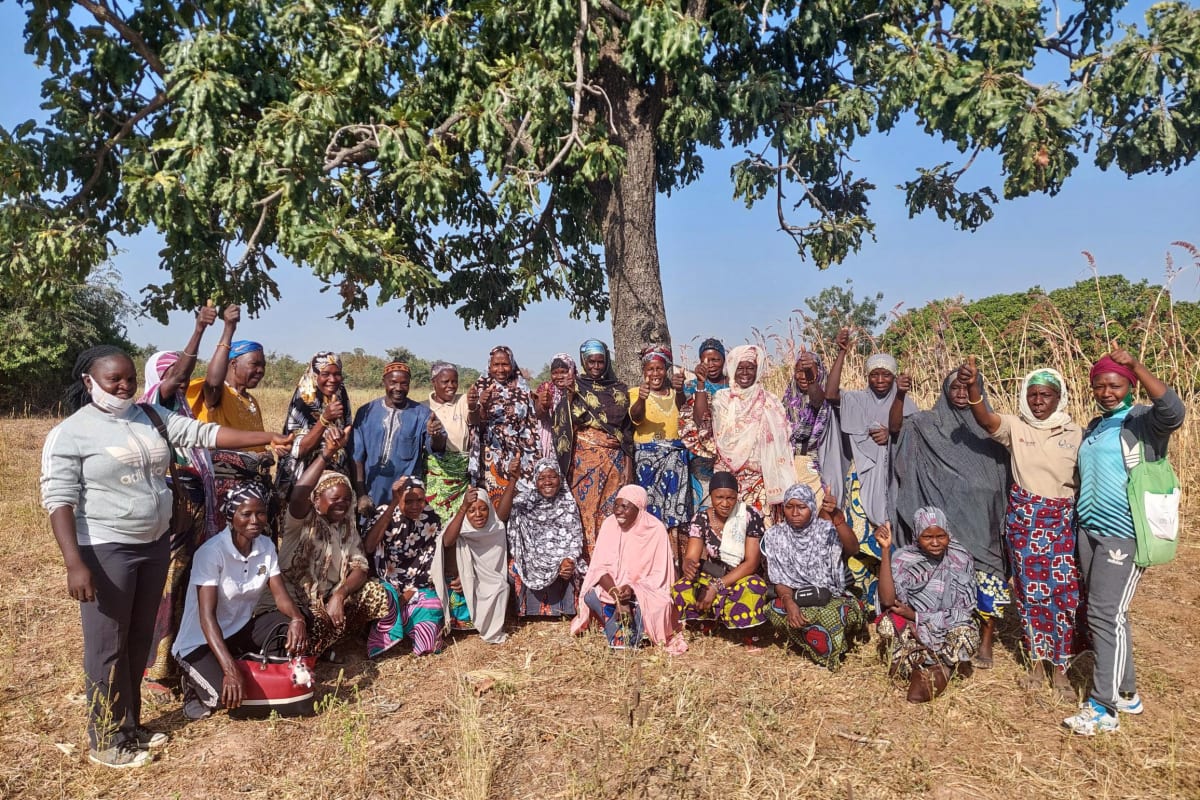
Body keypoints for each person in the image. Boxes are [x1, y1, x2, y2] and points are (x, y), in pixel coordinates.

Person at [41, 345, 292, 768]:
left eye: (128, 379)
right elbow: (59, 499)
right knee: (107, 647)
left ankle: (131, 725)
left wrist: (266, 437)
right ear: (89, 382)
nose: (123, 386)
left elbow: (204, 435)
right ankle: (105, 739)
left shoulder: (150, 417)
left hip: (153, 546)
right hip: (105, 549)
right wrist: (73, 562)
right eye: (112, 380)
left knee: (138, 641)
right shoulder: (72, 433)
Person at [1063, 347, 1185, 736]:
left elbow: (1174, 412)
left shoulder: (1142, 422)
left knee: (1103, 615)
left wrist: (1136, 365)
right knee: (1112, 614)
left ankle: (1104, 707)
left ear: (1129, 386)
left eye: (1115, 384)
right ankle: (1127, 693)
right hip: (1091, 532)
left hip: (1125, 534)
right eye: (1099, 386)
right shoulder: (1096, 426)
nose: (1106, 392)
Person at [959, 361, 1083, 699]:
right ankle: (1037, 663)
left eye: (1046, 395)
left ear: (1060, 398)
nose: (1038, 401)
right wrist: (973, 388)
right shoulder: (1016, 427)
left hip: (1061, 524)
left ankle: (1061, 670)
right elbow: (985, 419)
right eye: (1032, 395)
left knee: (1064, 595)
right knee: (1030, 596)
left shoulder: (1075, 433)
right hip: (1026, 525)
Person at [895, 369, 1010, 669]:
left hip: (983, 517)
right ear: (944, 391)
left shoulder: (990, 427)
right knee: (949, 578)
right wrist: (900, 397)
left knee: (988, 575)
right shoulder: (926, 423)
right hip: (945, 521)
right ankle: (946, 628)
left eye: (967, 388)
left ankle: (986, 637)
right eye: (955, 388)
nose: (960, 393)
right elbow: (898, 432)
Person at [139, 306, 223, 693]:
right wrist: (199, 330)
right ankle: (156, 670)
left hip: (193, 511)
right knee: (169, 586)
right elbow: (179, 376)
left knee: (190, 583)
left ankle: (180, 657)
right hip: (174, 511)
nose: (181, 377)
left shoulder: (182, 411)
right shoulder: (157, 403)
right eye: (171, 371)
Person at [172, 484, 309, 721]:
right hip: (200, 641)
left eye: (261, 513)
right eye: (246, 514)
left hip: (238, 632)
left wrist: (297, 618)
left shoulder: (265, 546)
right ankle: (191, 685)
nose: (255, 520)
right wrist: (229, 670)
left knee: (293, 625)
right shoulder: (211, 552)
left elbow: (280, 595)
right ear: (231, 517)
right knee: (224, 699)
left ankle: (244, 664)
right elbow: (207, 616)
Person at [262, 428, 389, 661]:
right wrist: (326, 454)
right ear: (317, 500)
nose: (342, 504)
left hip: (327, 595)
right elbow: (299, 494)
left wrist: (340, 594)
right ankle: (314, 650)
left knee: (376, 592)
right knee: (314, 619)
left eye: (347, 499)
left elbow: (360, 567)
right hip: (295, 600)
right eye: (335, 499)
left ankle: (330, 642)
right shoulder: (300, 522)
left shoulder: (346, 527)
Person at [824, 329, 918, 608]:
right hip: (861, 482)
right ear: (867, 377)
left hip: (893, 484)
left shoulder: (906, 403)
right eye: (874, 374)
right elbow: (830, 394)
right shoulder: (857, 400)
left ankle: (889, 601)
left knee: (890, 537)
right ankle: (863, 603)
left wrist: (890, 434)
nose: (880, 380)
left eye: (886, 375)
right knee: (859, 539)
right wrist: (841, 352)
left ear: (894, 377)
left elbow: (910, 437)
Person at [876, 508, 980, 703]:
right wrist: (885, 550)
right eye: (927, 536)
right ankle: (929, 665)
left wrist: (917, 616)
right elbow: (889, 601)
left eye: (941, 536)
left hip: (947, 626)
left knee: (968, 634)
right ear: (917, 534)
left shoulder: (960, 558)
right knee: (888, 626)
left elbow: (963, 611)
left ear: (948, 533)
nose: (935, 542)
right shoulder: (903, 558)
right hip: (914, 630)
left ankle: (943, 666)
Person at [760, 484, 868, 670]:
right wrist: (789, 602)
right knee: (774, 611)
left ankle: (826, 648)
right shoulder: (775, 536)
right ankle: (810, 640)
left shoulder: (826, 530)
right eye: (789, 506)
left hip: (831, 596)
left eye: (802, 507)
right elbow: (779, 579)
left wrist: (836, 517)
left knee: (832, 615)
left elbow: (853, 549)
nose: (795, 513)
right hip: (797, 597)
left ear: (811, 506)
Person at [185, 309, 276, 527]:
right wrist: (228, 329)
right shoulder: (218, 395)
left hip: (254, 493)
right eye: (255, 364)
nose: (261, 370)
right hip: (225, 494)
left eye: (263, 365)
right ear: (232, 363)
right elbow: (213, 382)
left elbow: (255, 444)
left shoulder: (251, 400)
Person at [571, 485, 687, 654]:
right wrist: (618, 597)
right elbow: (599, 568)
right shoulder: (609, 524)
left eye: (625, 507)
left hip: (643, 593)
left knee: (659, 605)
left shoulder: (655, 530)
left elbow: (659, 576)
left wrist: (632, 590)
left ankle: (629, 631)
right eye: (616, 505)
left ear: (639, 508)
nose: (618, 511)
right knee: (591, 595)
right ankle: (623, 629)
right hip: (613, 592)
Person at [562, 339, 634, 564]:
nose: (596, 366)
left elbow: (627, 432)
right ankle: (587, 570)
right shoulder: (574, 387)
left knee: (612, 515)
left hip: (615, 463)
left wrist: (629, 469)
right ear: (584, 361)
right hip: (584, 464)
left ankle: (611, 566)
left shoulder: (620, 390)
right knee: (584, 515)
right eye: (591, 361)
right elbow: (563, 424)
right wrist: (567, 397)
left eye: (600, 361)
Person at [672, 471, 769, 633]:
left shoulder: (749, 515)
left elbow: (751, 563)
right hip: (713, 573)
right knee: (682, 587)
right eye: (719, 498)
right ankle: (707, 622)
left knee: (754, 587)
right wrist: (688, 566)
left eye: (730, 498)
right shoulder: (702, 518)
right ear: (711, 496)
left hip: (741, 575)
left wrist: (717, 586)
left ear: (737, 497)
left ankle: (744, 631)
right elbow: (691, 556)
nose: (725, 503)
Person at [363, 476, 447, 656]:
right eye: (408, 501)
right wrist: (394, 503)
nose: (416, 506)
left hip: (416, 585)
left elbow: (430, 561)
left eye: (420, 500)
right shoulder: (385, 513)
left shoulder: (430, 519)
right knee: (385, 596)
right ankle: (384, 639)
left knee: (433, 604)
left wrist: (408, 594)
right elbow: (369, 546)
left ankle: (414, 632)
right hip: (385, 581)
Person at [711, 344, 794, 512]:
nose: (745, 373)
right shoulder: (722, 399)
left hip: (761, 479)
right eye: (740, 368)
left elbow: (783, 437)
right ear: (733, 368)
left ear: (757, 370)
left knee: (759, 526)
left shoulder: (770, 400)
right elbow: (715, 433)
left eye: (750, 368)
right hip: (728, 479)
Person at [629, 345, 692, 561]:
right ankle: (651, 561)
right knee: (649, 514)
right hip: (648, 464)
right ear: (644, 371)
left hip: (675, 463)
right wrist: (641, 399)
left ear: (666, 370)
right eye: (650, 369)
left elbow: (685, 415)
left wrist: (681, 391)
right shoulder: (635, 393)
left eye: (659, 369)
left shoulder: (676, 393)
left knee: (676, 516)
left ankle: (675, 561)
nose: (655, 374)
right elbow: (635, 418)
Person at [507, 457, 585, 618]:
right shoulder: (524, 501)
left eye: (552, 477)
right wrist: (513, 479)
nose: (547, 482)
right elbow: (504, 519)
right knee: (513, 567)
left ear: (560, 479)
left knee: (576, 567)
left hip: (560, 559)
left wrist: (569, 559)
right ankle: (529, 611)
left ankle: (565, 610)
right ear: (535, 481)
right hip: (532, 559)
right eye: (541, 478)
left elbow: (576, 538)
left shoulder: (568, 503)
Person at [350, 361, 432, 514]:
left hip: (406, 496)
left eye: (404, 384)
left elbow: (435, 448)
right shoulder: (366, 412)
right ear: (384, 382)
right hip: (372, 492)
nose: (399, 388)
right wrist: (361, 494)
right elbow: (357, 457)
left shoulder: (422, 414)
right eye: (393, 383)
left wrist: (437, 435)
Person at [441, 479, 514, 644]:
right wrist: (463, 575)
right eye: (471, 510)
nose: (478, 514)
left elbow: (494, 568)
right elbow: (446, 542)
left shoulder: (495, 529)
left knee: (500, 587)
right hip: (460, 577)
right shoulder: (460, 529)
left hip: (486, 579)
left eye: (483, 509)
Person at [467, 345, 540, 503]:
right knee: (492, 504)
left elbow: (531, 424)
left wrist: (530, 457)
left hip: (518, 456)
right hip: (489, 457)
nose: (501, 369)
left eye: (505, 364)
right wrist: (482, 406)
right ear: (489, 365)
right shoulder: (480, 388)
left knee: (518, 502)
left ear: (512, 364)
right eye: (496, 365)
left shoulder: (523, 389)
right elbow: (475, 425)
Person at [277, 351, 353, 500]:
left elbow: (347, 429)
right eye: (325, 374)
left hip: (335, 479)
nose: (332, 379)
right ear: (315, 374)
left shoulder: (340, 392)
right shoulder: (304, 397)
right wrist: (324, 419)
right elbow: (299, 449)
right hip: (303, 481)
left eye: (337, 374)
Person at [679, 338, 728, 510]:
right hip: (701, 457)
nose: (711, 364)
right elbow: (697, 419)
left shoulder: (733, 385)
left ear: (724, 360)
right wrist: (701, 383)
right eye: (706, 360)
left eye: (716, 359)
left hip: (728, 456)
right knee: (702, 504)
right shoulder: (692, 386)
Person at [782, 348, 839, 495]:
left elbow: (817, 402)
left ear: (819, 372)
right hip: (793, 467)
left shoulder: (832, 398)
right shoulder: (787, 400)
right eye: (799, 371)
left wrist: (811, 379)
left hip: (822, 466)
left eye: (808, 371)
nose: (802, 376)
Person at [425, 361, 473, 521]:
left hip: (462, 475)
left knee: (461, 522)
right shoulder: (424, 409)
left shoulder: (463, 401)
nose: (451, 386)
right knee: (437, 521)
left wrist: (474, 406)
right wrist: (435, 435)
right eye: (445, 381)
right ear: (434, 383)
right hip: (438, 476)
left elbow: (475, 419)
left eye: (454, 381)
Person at [536, 353, 577, 475]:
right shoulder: (545, 389)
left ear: (572, 371)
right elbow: (539, 415)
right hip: (549, 440)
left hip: (572, 440)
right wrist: (544, 405)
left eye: (564, 372)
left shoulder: (581, 389)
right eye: (555, 373)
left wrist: (571, 396)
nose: (559, 377)